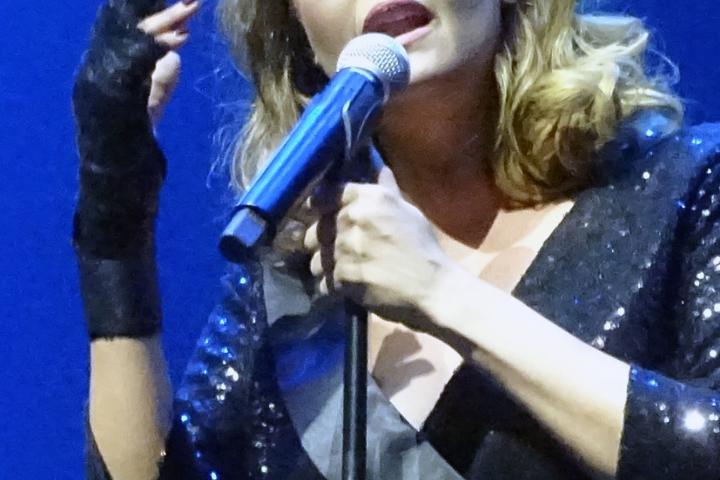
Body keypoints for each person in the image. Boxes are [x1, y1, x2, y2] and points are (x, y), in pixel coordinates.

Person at [71, 0, 720, 478]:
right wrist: (112, 211)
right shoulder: (293, 291)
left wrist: (442, 293)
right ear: (295, 32)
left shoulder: (684, 186)